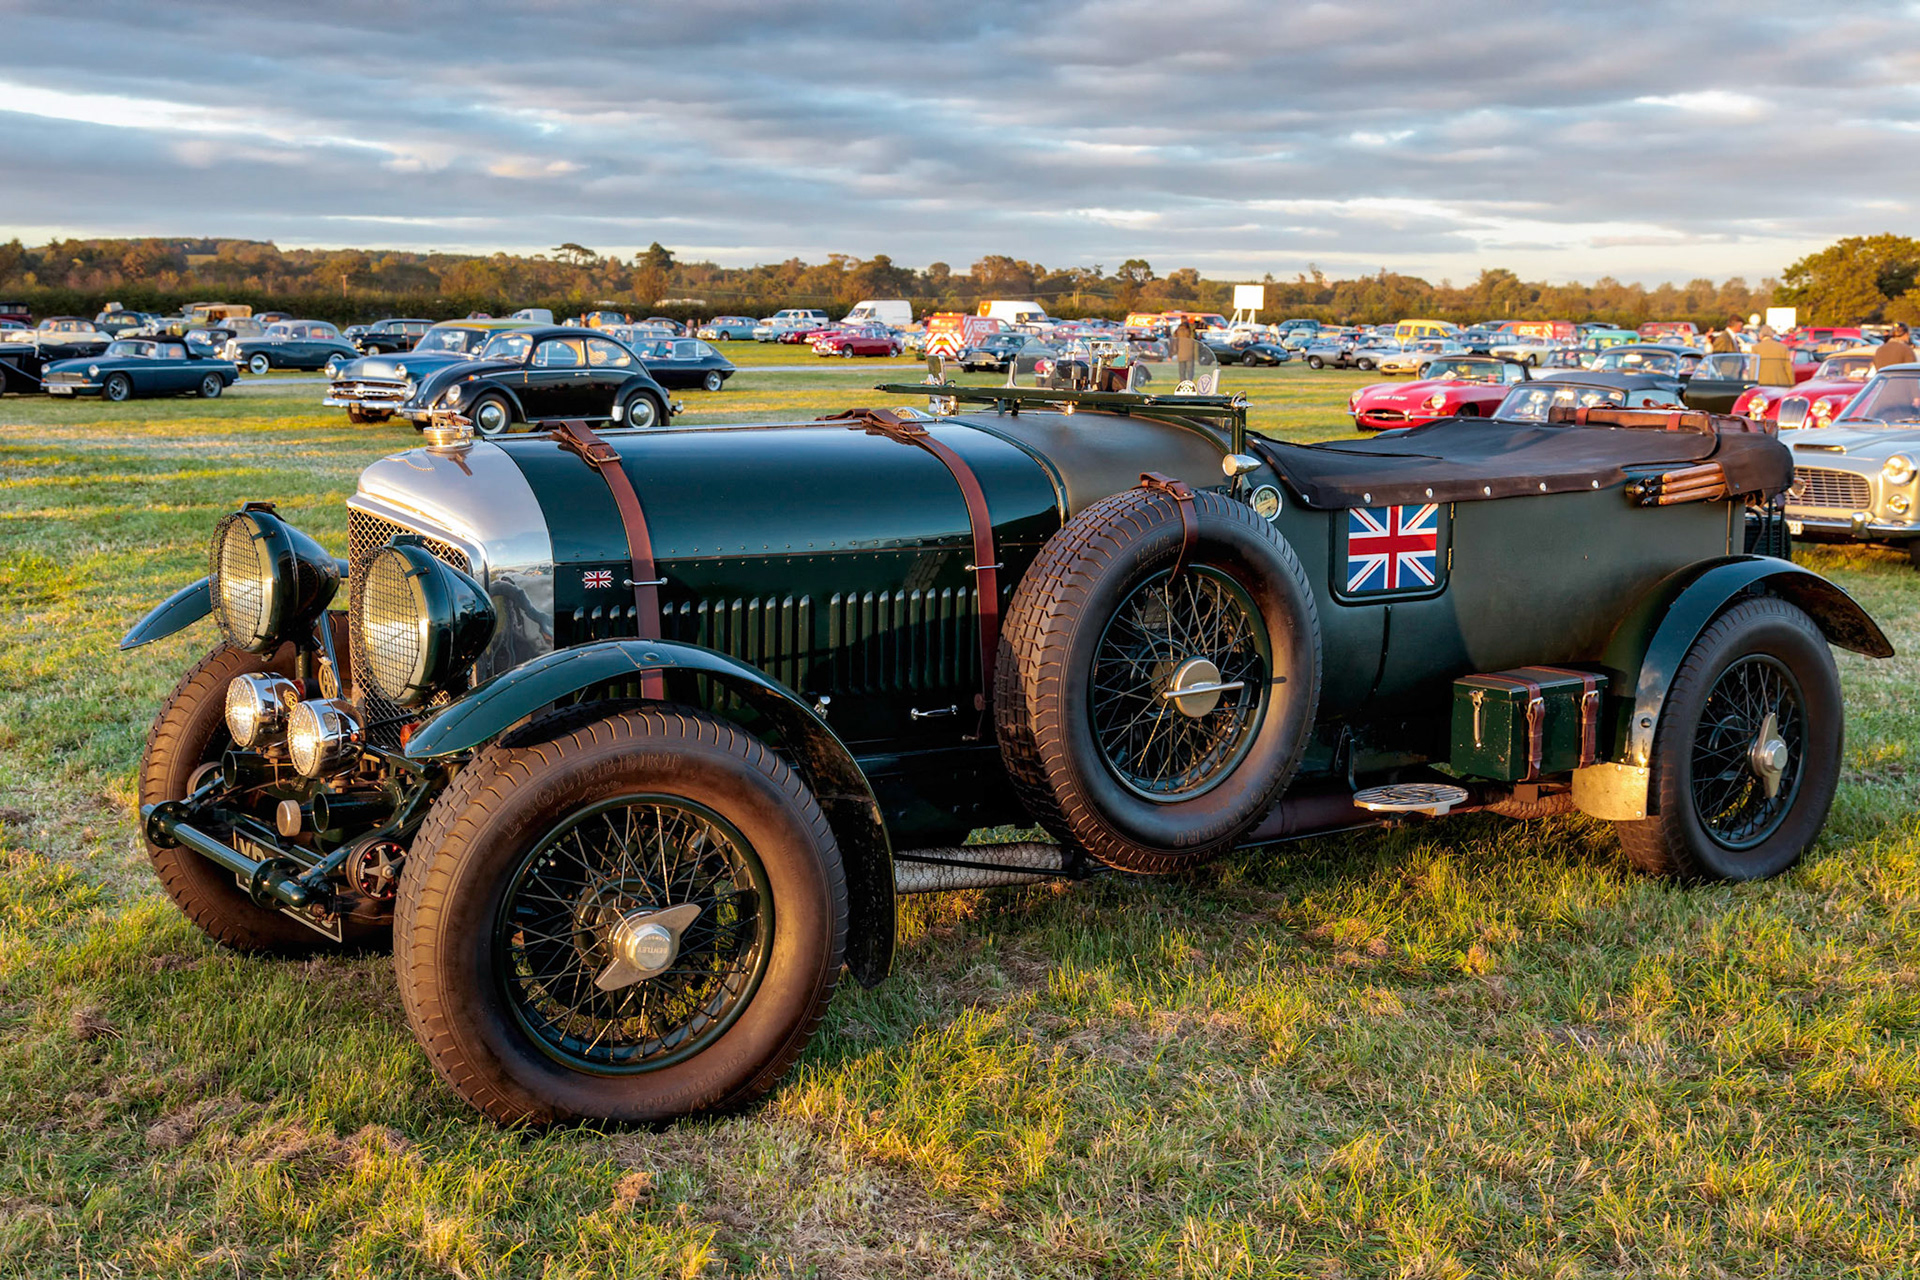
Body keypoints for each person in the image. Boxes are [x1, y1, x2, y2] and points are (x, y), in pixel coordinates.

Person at [1172, 318, 1196, 383]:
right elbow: (1194, 338)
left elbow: (1175, 340)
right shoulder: (1190, 330)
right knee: (1190, 370)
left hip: (1181, 352)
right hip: (1190, 353)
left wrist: (1174, 351)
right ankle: (1189, 381)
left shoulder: (1178, 331)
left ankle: (1182, 382)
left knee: (1181, 370)